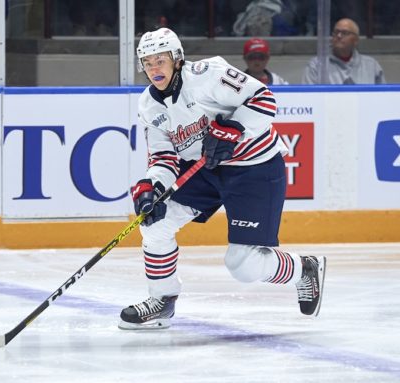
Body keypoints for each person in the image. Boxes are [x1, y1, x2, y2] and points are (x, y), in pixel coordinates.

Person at [119, 28, 326, 330]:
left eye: (160, 60)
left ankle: (304, 269)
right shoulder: (148, 106)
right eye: (147, 62)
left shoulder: (208, 75)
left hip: (254, 168)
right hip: (205, 170)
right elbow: (164, 158)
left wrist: (234, 127)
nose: (154, 69)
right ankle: (163, 299)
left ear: (177, 59)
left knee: (242, 264)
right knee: (155, 225)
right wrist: (153, 186)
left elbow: (264, 100)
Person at [302, 18, 386, 84]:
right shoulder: (316, 65)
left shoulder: (371, 65)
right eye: (336, 32)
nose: (339, 36)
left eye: (345, 33)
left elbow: (383, 98)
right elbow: (309, 100)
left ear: (356, 40)